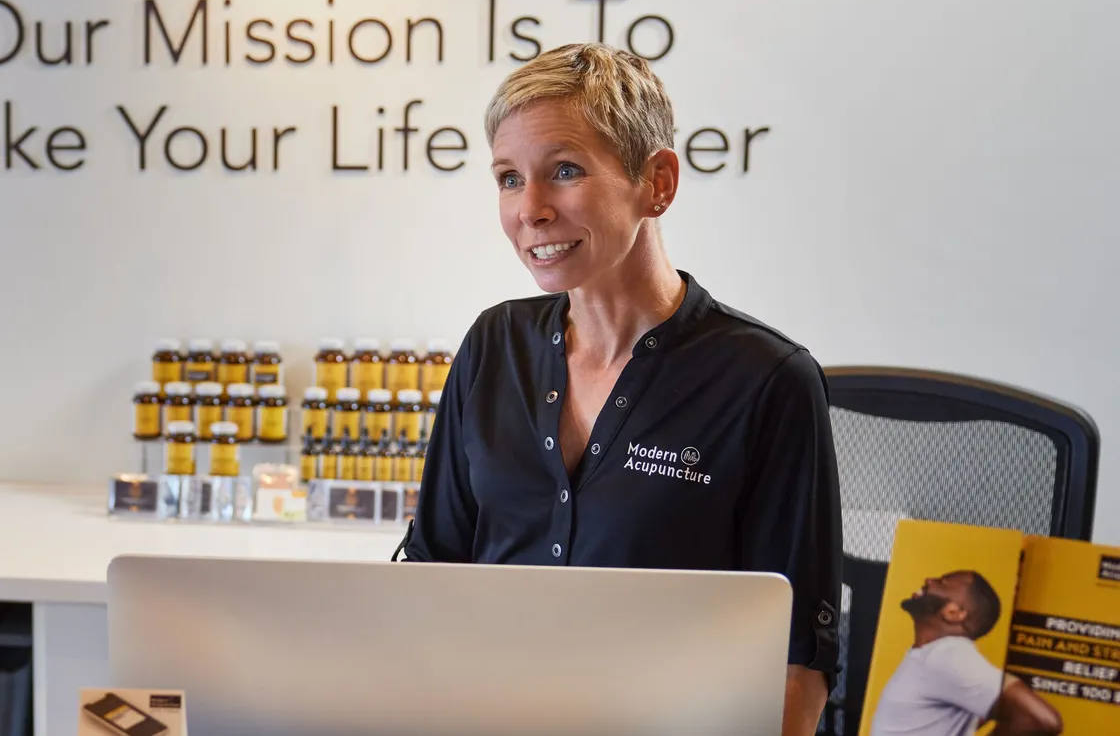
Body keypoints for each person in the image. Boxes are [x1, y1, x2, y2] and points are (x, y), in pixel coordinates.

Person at [398, 42, 842, 736]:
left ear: (657, 181)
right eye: (509, 179)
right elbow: (429, 580)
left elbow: (797, 673)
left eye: (564, 171)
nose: (530, 210)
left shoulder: (767, 380)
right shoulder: (494, 345)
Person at [871, 572, 1062, 736]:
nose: (929, 580)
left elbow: (1044, 720)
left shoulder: (948, 656)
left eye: (943, 582)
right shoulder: (936, 656)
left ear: (955, 613)